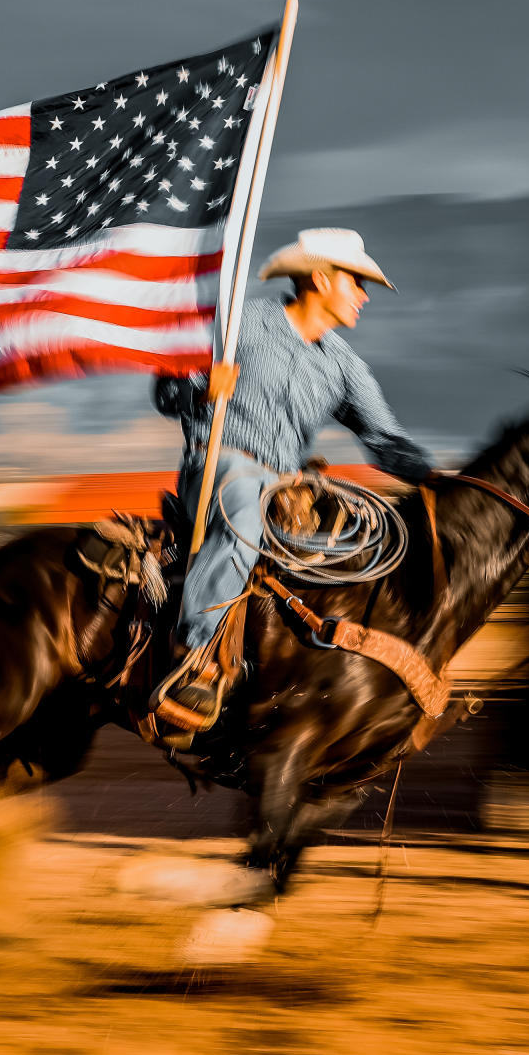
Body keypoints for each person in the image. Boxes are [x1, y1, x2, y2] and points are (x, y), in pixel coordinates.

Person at [150, 227, 434, 736]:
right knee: (242, 515)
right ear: (321, 280)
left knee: (352, 548)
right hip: (220, 464)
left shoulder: (344, 366)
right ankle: (195, 661)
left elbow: (385, 440)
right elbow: (166, 390)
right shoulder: (244, 324)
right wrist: (199, 391)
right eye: (357, 282)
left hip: (286, 487)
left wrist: (434, 477)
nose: (365, 297)